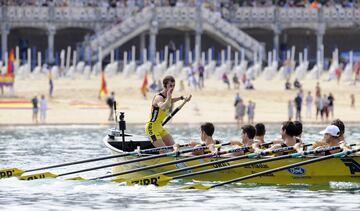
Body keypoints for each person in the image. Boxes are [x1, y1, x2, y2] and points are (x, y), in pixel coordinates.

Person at [145, 75, 192, 147]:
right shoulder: (159, 97)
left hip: (159, 127)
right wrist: (169, 96)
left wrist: (182, 98)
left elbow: (170, 101)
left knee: (174, 147)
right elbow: (163, 107)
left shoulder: (167, 97)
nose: (172, 88)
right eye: (170, 85)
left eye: (173, 86)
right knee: (164, 151)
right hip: (151, 127)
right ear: (165, 85)